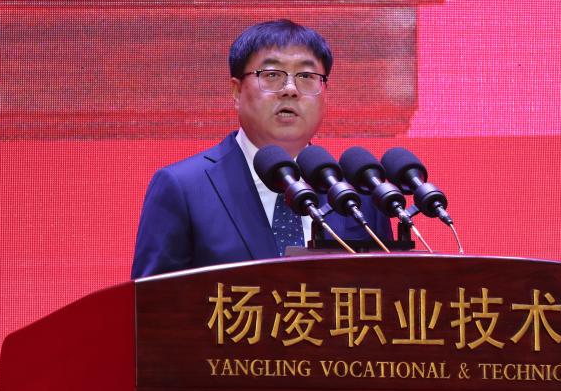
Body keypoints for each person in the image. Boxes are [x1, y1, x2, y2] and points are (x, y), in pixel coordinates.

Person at [131, 19, 390, 279]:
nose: (290, 90)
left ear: (325, 94)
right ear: (236, 91)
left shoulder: (360, 194)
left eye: (306, 76)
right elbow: (152, 300)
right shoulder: (183, 188)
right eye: (272, 75)